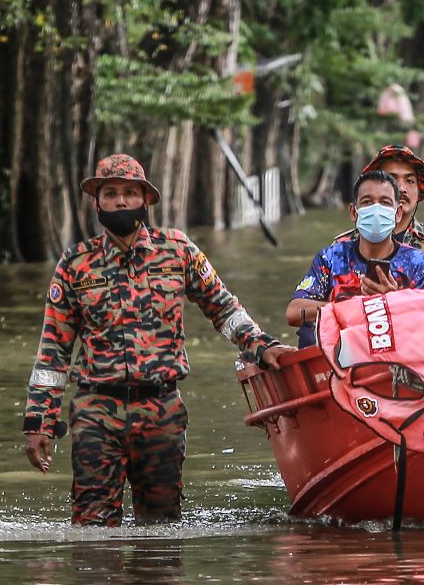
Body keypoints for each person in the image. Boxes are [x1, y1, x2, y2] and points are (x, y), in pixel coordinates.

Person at [22, 154, 293, 526]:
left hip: (161, 409)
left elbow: (223, 309)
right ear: (96, 202)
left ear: (145, 200)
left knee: (162, 532)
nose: (120, 202)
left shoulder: (178, 252)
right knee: (92, 532)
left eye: (129, 193)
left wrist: (261, 345)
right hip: (96, 412)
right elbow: (53, 352)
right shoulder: (75, 265)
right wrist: (40, 422)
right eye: (111, 193)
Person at [289, 171, 424, 346]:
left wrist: (392, 302)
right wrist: (348, 306)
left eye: (385, 202)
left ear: (398, 213)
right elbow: (293, 313)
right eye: (367, 202)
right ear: (354, 212)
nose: (376, 209)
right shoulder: (331, 258)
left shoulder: (417, 263)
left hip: (397, 357)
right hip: (337, 359)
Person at [334, 144, 424, 262]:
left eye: (410, 181)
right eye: (392, 179)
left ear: (419, 189)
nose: (402, 188)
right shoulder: (343, 245)